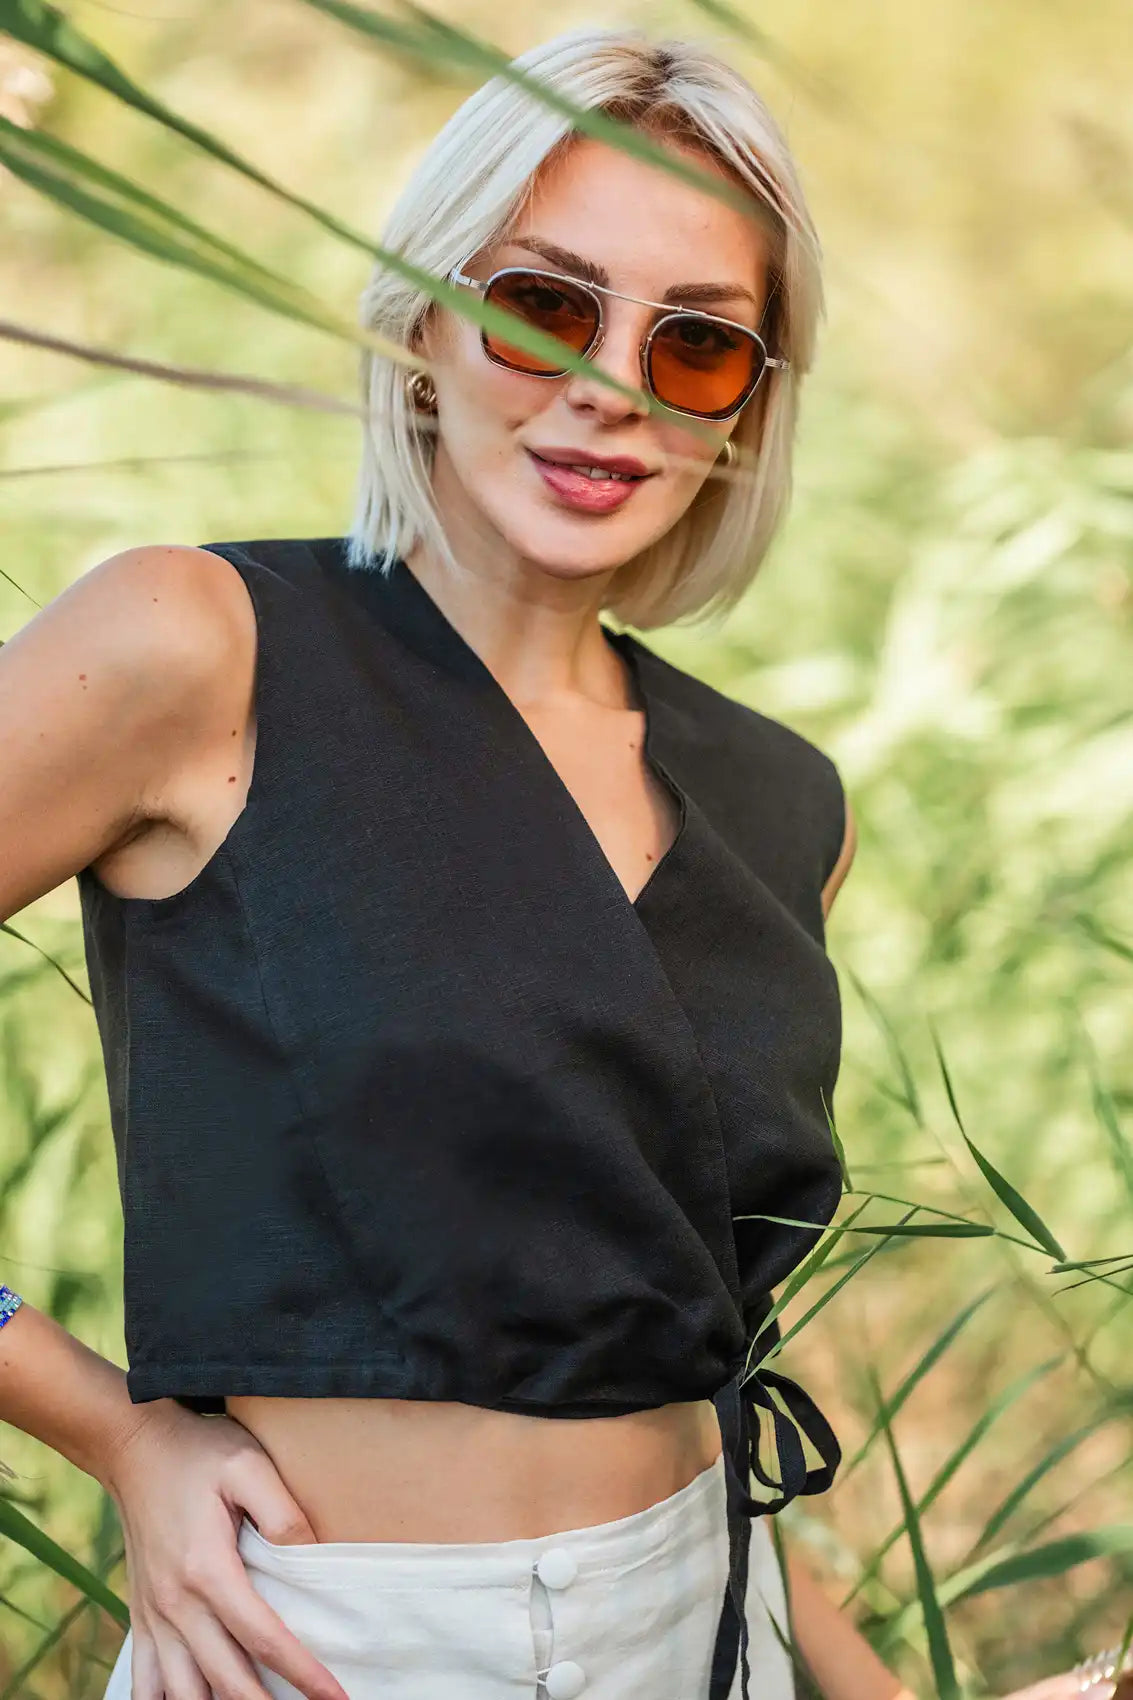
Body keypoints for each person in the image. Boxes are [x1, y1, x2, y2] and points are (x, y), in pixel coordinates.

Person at [0, 26, 1116, 1700]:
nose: (608, 386)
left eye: (698, 346)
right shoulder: (200, 648)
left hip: (708, 1624)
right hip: (330, 1644)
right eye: (541, 303)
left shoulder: (781, 802)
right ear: (424, 318)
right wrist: (118, 1435)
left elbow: (688, 1372)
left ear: (749, 403)